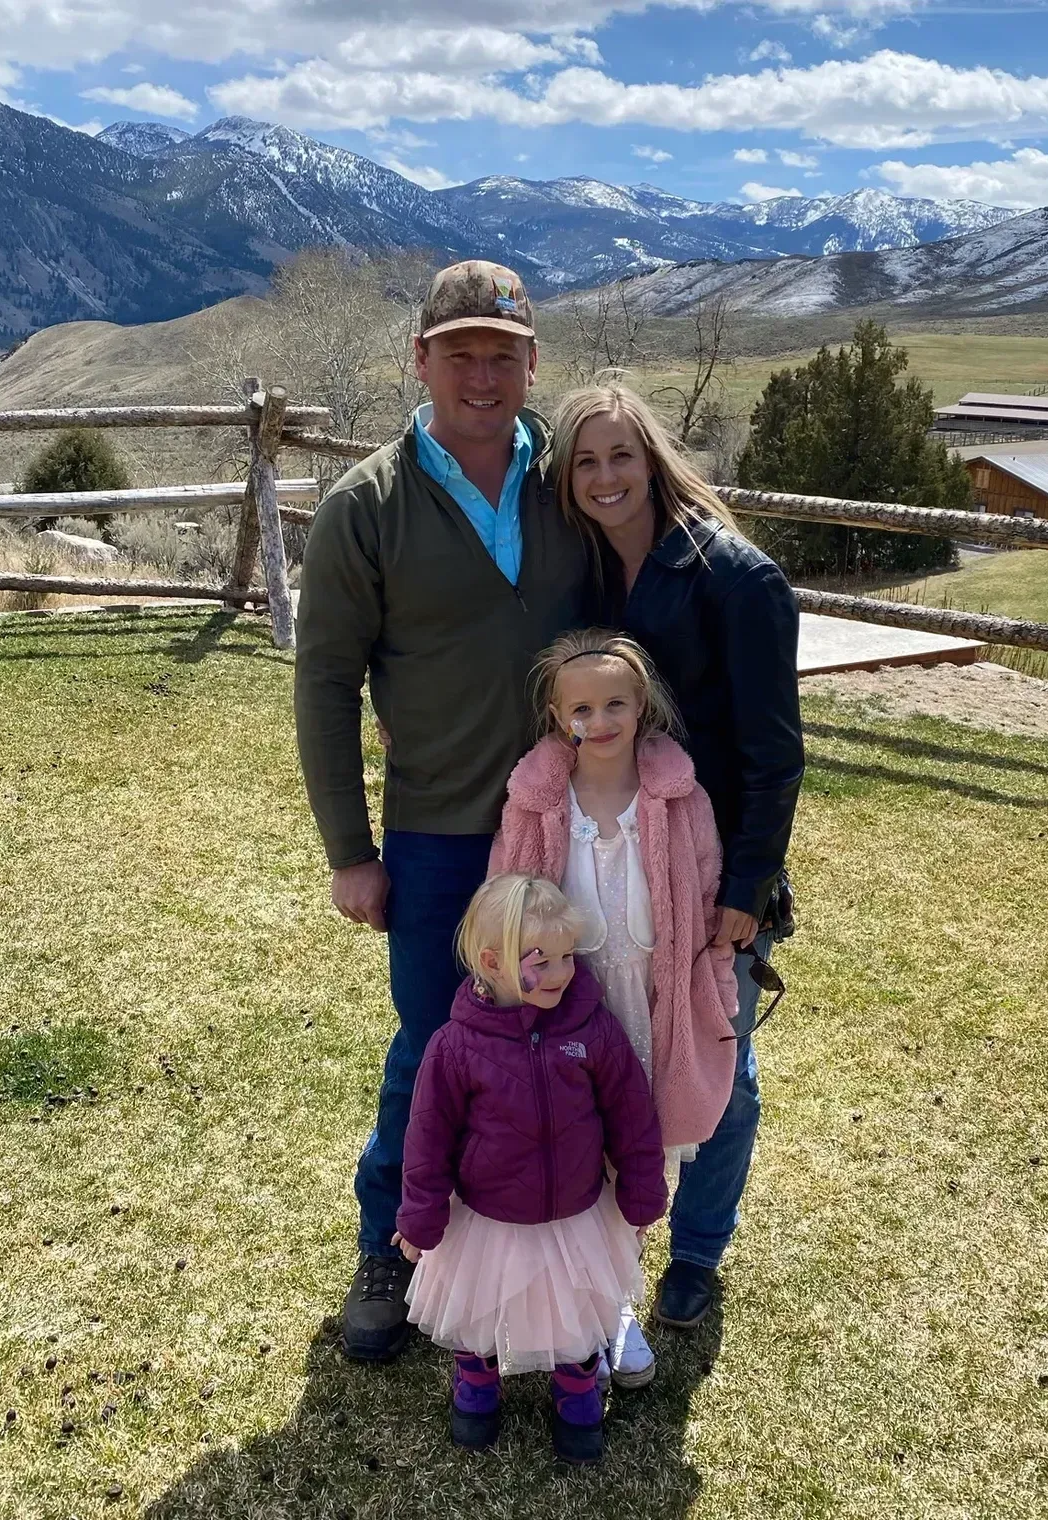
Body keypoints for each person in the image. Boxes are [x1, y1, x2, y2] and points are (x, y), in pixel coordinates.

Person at [294, 262, 590, 1362]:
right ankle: (389, 1242)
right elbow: (325, 681)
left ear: (531, 364)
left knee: (570, 1034)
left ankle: (552, 1253)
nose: (481, 372)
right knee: (436, 1044)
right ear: (418, 360)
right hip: (437, 830)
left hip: (568, 827)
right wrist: (350, 851)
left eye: (501, 353)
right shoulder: (365, 506)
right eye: (457, 351)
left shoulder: (572, 480)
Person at [550, 380, 805, 1332]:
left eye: (620, 455)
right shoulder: (582, 575)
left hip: (705, 869)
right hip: (607, 850)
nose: (605, 476)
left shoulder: (734, 577)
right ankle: (603, 1229)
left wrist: (746, 887)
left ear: (652, 459)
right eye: (585, 461)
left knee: (717, 1064)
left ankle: (697, 1251)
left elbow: (773, 754)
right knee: (612, 1040)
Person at [488, 629, 738, 1387]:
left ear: (643, 707)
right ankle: (572, 1310)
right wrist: (515, 992)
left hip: (653, 1009)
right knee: (573, 1156)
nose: (598, 722)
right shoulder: (535, 800)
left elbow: (703, 900)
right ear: (556, 715)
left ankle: (617, 1307)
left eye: (615, 705)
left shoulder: (678, 800)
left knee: (635, 1161)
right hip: (571, 1014)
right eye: (582, 708)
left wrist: (714, 994)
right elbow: (505, 892)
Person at [394, 874, 667, 1463]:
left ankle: (574, 1389)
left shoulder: (591, 1029)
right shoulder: (455, 1046)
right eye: (543, 961)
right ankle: (478, 1378)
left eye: (569, 955)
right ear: (492, 962)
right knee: (481, 1310)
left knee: (575, 1308)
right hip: (486, 1217)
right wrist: (420, 1222)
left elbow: (631, 1113)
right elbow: (428, 1140)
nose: (564, 973)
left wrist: (642, 1194)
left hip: (577, 1214)